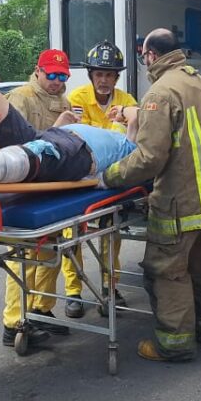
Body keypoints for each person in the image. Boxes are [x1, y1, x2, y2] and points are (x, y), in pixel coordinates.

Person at [102, 28, 201, 362]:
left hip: (181, 206)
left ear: (150, 55)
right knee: (200, 267)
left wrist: (109, 176)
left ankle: (174, 346)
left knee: (168, 272)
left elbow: (149, 158)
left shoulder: (160, 92)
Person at [0, 49, 79, 346]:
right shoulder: (20, 98)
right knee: (22, 255)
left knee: (51, 250)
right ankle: (15, 321)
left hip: (51, 187)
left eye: (62, 76)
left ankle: (41, 309)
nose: (56, 81)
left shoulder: (65, 102)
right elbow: (8, 145)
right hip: (22, 185)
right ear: (38, 71)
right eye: (51, 75)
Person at [64, 40, 137, 315]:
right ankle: (74, 291)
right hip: (80, 179)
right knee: (71, 234)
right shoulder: (78, 99)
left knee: (111, 235)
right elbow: (77, 137)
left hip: (111, 179)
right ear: (91, 75)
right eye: (99, 75)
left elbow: (131, 140)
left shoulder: (127, 102)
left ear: (116, 77)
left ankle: (110, 288)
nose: (104, 80)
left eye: (109, 75)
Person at [0, 84, 138, 185]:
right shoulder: (110, 134)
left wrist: (122, 110)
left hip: (79, 152)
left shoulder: (129, 146)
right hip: (47, 138)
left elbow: (137, 114)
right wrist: (61, 124)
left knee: (41, 154)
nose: (118, 123)